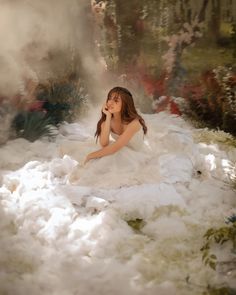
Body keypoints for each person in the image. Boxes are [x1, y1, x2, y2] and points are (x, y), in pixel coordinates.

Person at [83, 86, 147, 165]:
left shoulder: (134, 123)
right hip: (120, 152)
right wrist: (108, 117)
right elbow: (104, 144)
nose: (110, 102)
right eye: (109, 98)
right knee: (100, 161)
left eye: (116, 100)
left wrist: (90, 155)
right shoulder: (107, 119)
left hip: (135, 156)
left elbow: (115, 147)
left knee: (105, 158)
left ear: (125, 104)